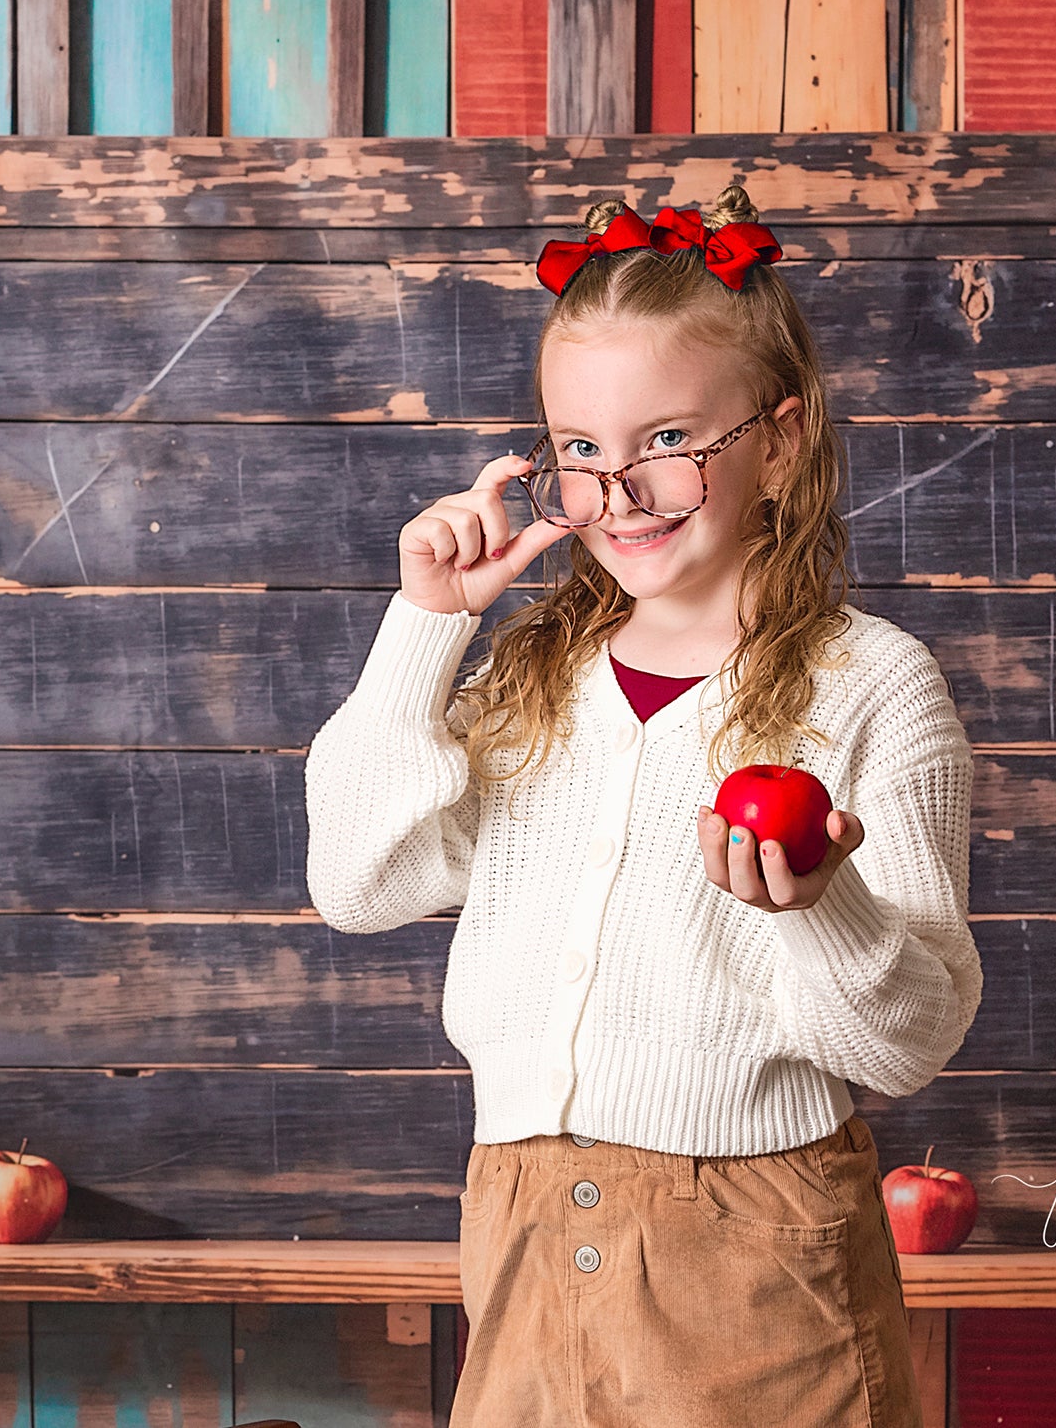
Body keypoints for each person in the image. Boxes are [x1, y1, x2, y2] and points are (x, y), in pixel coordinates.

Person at [305, 184, 980, 1428]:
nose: (616, 493)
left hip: (756, 1247)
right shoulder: (528, 681)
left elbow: (908, 1044)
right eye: (579, 449)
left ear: (779, 441)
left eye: (667, 438)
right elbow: (356, 883)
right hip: (517, 1222)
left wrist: (817, 908)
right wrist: (423, 629)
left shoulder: (871, 684)